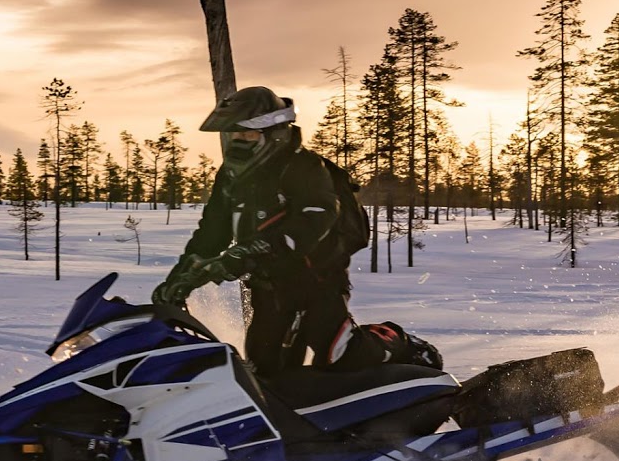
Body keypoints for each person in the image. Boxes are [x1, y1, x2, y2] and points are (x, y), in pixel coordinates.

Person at [151, 86, 439, 376]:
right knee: (265, 372)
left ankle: (398, 342)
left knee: (340, 356)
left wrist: (252, 250)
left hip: (317, 281)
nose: (238, 142)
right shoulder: (230, 177)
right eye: (233, 135)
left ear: (273, 133)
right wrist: (179, 280)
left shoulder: (304, 167)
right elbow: (211, 234)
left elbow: (317, 217)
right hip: (266, 287)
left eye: (247, 134)